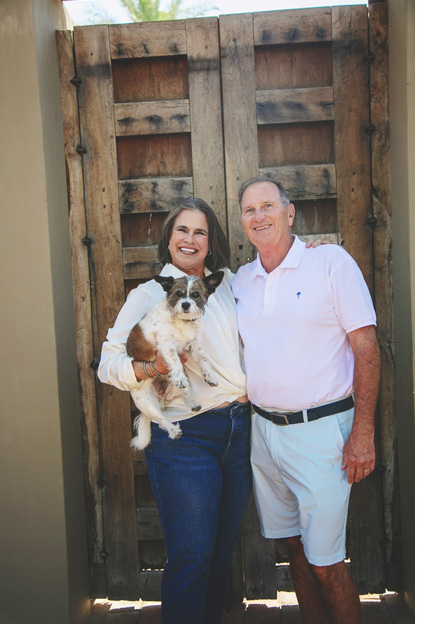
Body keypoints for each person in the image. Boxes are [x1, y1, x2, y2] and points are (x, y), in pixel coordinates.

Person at [232, 177, 380, 624]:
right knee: (292, 548)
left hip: (322, 435)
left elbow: (367, 347)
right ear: (243, 222)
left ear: (289, 212)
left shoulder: (330, 262)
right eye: (249, 210)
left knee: (326, 563)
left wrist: (364, 432)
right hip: (264, 433)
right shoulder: (241, 280)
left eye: (268, 206)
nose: (259, 217)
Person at [98, 198, 251, 624]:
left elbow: (277, 276)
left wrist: (305, 252)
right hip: (185, 437)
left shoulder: (230, 286)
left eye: (199, 232)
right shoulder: (149, 293)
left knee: (221, 552)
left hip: (241, 429)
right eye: (181, 230)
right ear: (168, 238)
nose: (190, 239)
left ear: (210, 242)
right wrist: (152, 367)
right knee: (192, 554)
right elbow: (108, 364)